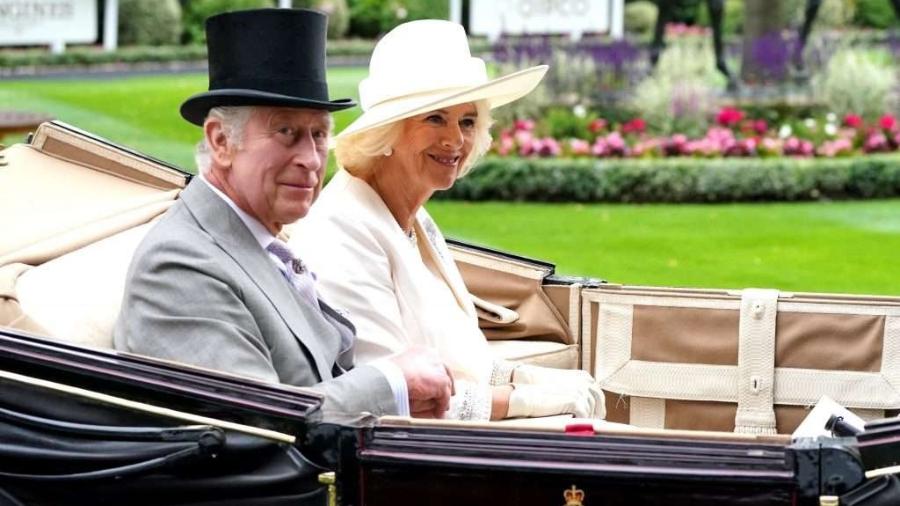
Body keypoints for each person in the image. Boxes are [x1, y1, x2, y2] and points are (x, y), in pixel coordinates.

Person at [114, 9, 453, 420]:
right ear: (221, 141)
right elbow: (260, 425)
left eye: (319, 134)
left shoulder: (259, 241)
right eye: (286, 133)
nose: (310, 159)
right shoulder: (179, 265)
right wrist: (392, 382)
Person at [291, 20, 605, 421]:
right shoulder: (341, 231)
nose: (455, 140)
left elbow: (462, 361)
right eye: (435, 118)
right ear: (388, 132)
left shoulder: (414, 218)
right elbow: (396, 400)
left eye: (467, 121)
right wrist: (525, 400)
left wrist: (534, 378)